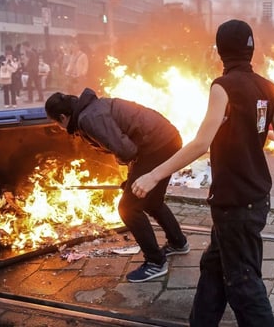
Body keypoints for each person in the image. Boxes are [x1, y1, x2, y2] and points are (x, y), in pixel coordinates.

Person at [131, 19, 274, 326]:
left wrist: (153, 175)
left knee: (243, 285)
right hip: (254, 197)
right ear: (251, 49)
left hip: (234, 203)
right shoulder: (269, 87)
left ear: (219, 52)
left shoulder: (222, 86)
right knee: (214, 267)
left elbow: (201, 142)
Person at [44, 88, 189, 282]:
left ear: (62, 117)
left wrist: (132, 177)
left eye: (56, 123)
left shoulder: (88, 118)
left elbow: (126, 150)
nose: (59, 127)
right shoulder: (91, 108)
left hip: (157, 146)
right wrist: (132, 177)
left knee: (128, 208)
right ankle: (178, 243)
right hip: (166, 139)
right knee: (151, 201)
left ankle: (155, 263)